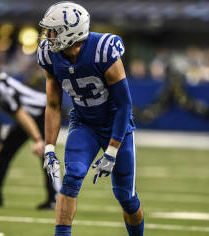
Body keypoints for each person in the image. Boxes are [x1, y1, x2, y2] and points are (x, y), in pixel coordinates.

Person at [37, 2, 144, 236]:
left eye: (53, 30)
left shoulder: (102, 50)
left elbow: (125, 105)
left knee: (125, 196)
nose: (47, 36)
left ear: (71, 32)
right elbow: (53, 105)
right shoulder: (49, 54)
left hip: (116, 123)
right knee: (71, 178)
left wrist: (112, 151)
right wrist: (48, 148)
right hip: (84, 122)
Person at [0, 61, 61, 210]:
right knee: (3, 153)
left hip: (42, 114)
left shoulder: (4, 89)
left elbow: (21, 115)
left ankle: (56, 198)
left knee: (46, 154)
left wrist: (38, 140)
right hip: (26, 117)